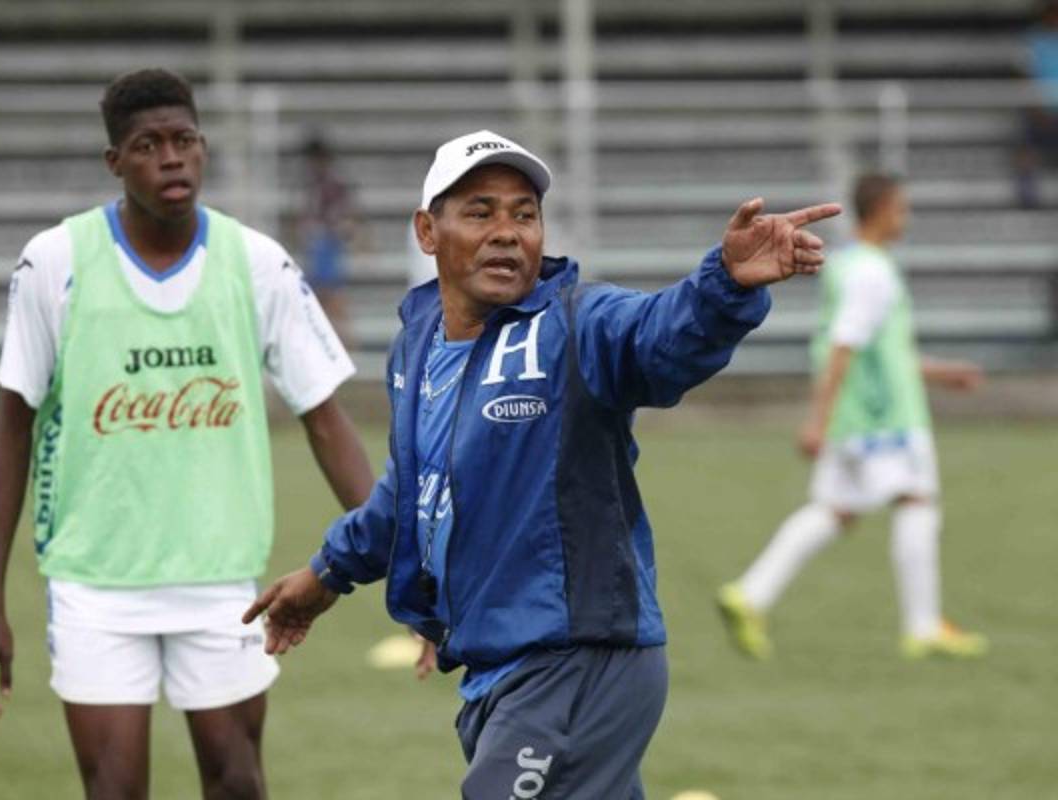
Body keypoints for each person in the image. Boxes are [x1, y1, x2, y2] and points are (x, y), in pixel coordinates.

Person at [244, 129, 840, 798]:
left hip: (580, 661)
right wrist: (327, 573)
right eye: (480, 212)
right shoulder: (417, 350)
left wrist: (723, 288)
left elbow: (660, 338)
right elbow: (412, 492)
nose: (507, 232)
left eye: (524, 214)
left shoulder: (577, 325)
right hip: (497, 673)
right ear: (426, 231)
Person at [0, 69, 373, 799]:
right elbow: (11, 429)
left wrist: (395, 550)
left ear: (204, 148)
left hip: (224, 583)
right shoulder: (54, 261)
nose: (171, 158)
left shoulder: (256, 263)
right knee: (115, 791)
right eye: (148, 145)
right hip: (94, 583)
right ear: (115, 162)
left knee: (239, 782)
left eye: (184, 140)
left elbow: (326, 420)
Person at [717, 173, 988, 661]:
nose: (905, 218)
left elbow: (875, 350)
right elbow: (843, 346)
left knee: (834, 511)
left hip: (855, 418)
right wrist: (816, 420)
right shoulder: (872, 273)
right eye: (901, 209)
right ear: (881, 209)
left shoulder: (850, 266)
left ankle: (750, 594)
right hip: (883, 420)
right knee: (916, 499)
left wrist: (942, 374)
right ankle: (923, 626)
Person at [297, 134, 358, 342]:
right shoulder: (317, 182)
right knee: (321, 297)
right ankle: (333, 343)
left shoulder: (331, 183)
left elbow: (342, 215)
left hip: (326, 241)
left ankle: (347, 343)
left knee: (331, 295)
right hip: (320, 242)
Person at [1015, 0, 1058, 208]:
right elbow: (1025, 76)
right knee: (1026, 146)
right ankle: (1028, 198)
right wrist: (1037, 108)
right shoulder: (1033, 40)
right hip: (1039, 111)